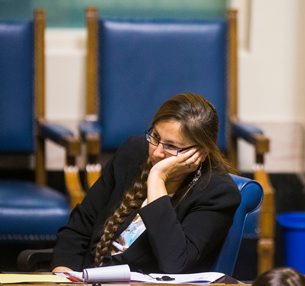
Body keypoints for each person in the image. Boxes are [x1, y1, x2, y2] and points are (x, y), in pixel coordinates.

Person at [51, 93, 241, 274]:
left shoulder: (217, 193)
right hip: (85, 277)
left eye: (172, 146)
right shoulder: (133, 152)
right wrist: (63, 272)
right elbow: (80, 226)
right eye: (156, 137)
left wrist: (157, 177)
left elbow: (175, 263)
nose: (157, 152)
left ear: (201, 153)